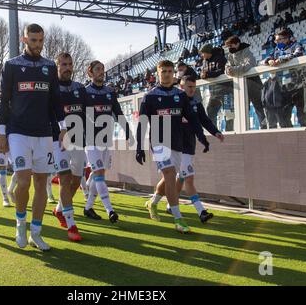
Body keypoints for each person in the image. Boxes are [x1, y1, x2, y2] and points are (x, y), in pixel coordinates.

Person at [0, 24, 66, 251]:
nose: (37, 45)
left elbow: (55, 99)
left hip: (44, 133)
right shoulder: (11, 65)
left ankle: (36, 232)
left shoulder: (49, 66)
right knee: (23, 181)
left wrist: (63, 126)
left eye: (40, 40)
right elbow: (3, 101)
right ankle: (20, 225)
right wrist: (1, 133)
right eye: (33, 40)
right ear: (25, 40)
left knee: (41, 183)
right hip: (18, 132)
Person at [136, 60, 209, 233]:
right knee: (169, 174)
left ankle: (152, 203)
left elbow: (193, 119)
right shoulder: (150, 96)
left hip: (178, 142)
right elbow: (143, 124)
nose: (167, 74)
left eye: (170, 71)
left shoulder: (181, 95)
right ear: (158, 73)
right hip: (159, 142)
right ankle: (178, 219)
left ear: (173, 73)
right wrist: (139, 146)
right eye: (164, 71)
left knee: (169, 178)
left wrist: (202, 137)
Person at [83, 60, 132, 223]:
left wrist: (127, 130)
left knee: (99, 175)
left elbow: (118, 113)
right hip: (90, 140)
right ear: (90, 72)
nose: (101, 72)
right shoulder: (84, 92)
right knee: (99, 176)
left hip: (106, 140)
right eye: (97, 69)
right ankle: (110, 210)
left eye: (102, 69)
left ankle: (88, 207)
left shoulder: (110, 92)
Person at [50, 52, 86, 242]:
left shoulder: (80, 88)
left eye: (70, 64)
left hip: (79, 139)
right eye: (63, 64)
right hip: (59, 141)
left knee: (76, 181)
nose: (67, 67)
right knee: (64, 180)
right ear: (57, 66)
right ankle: (72, 224)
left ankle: (58, 209)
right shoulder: (51, 88)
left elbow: (87, 113)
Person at [262, 29, 306, 127]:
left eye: (279, 40)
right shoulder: (277, 50)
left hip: (299, 86)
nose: (277, 42)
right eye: (276, 40)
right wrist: (269, 60)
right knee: (284, 117)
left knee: (302, 115)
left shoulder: (296, 45)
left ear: (286, 38)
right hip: (284, 88)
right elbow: (265, 59)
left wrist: (281, 59)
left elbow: (298, 54)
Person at [225, 35, 267, 129]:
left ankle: (264, 126)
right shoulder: (230, 55)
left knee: (258, 107)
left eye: (231, 46)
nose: (229, 49)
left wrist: (234, 70)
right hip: (241, 84)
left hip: (253, 82)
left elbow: (250, 64)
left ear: (237, 44)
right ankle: (243, 129)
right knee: (243, 108)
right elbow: (227, 66)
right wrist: (228, 70)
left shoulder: (246, 51)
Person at [199, 44, 233, 131]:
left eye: (203, 53)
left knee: (228, 113)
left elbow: (221, 71)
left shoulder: (220, 58)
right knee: (210, 111)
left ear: (207, 52)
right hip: (213, 92)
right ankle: (214, 132)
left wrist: (208, 74)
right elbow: (203, 72)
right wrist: (202, 75)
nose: (202, 56)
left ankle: (230, 131)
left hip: (225, 89)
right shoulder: (204, 61)